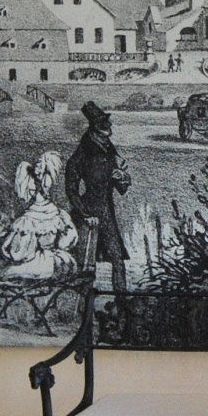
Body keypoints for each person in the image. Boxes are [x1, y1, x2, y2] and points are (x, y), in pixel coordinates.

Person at [66, 100, 131, 291]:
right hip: (87, 214)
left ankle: (122, 301)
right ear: (94, 131)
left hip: (106, 212)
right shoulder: (79, 158)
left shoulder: (109, 152)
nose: (109, 131)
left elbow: (121, 188)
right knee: (85, 264)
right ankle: (82, 304)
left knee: (117, 259)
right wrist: (85, 214)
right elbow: (71, 190)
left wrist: (122, 177)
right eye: (104, 128)